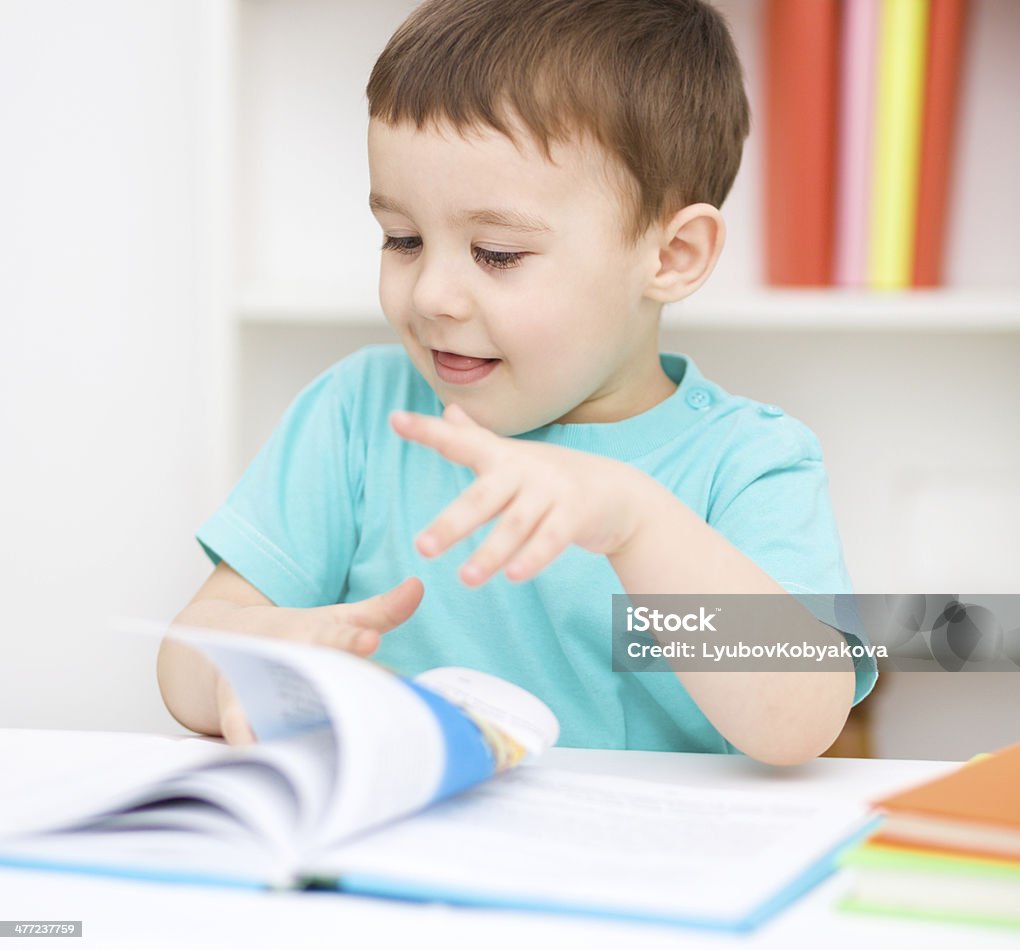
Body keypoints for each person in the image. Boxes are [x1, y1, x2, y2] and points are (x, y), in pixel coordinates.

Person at [157, 0, 877, 764]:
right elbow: (181, 663)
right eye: (403, 239)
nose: (432, 293)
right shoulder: (361, 414)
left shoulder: (746, 464)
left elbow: (799, 721)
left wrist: (636, 524)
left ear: (671, 256)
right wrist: (254, 652)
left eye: (496, 253)